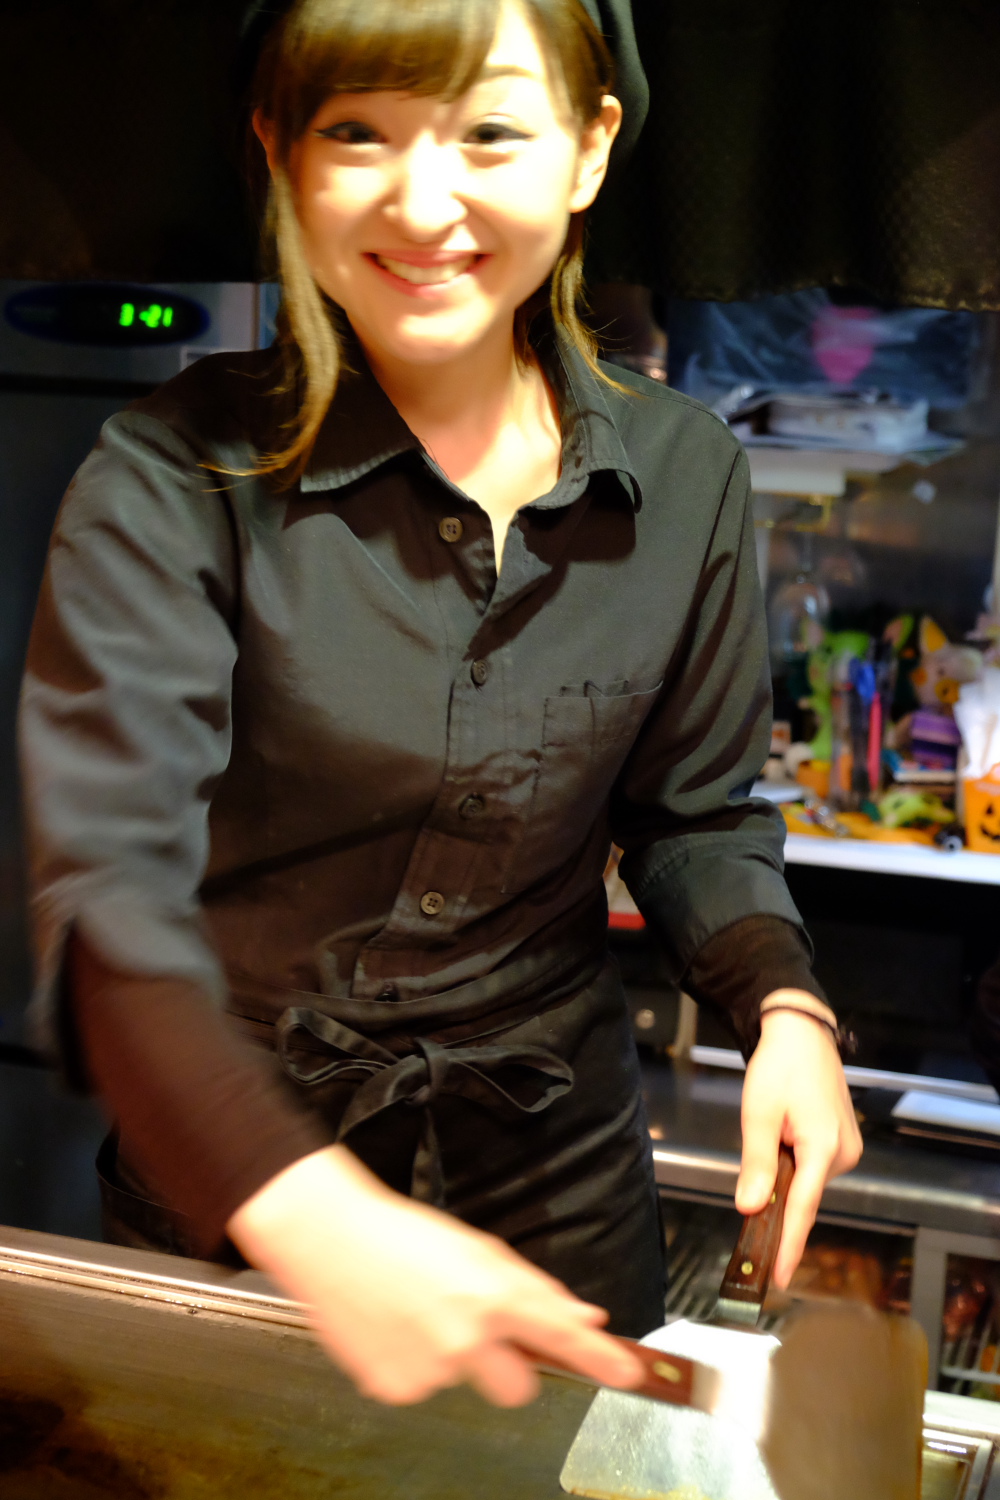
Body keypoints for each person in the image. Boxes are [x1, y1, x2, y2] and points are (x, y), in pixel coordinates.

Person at [18, 0, 861, 1411]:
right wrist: (309, 1211)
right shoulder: (168, 478)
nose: (423, 204)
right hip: (246, 1176)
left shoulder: (686, 473)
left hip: (562, 1182)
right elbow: (108, 903)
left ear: (590, 148)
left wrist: (784, 1005)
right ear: (279, 151)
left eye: (489, 131)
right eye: (358, 131)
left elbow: (696, 814)